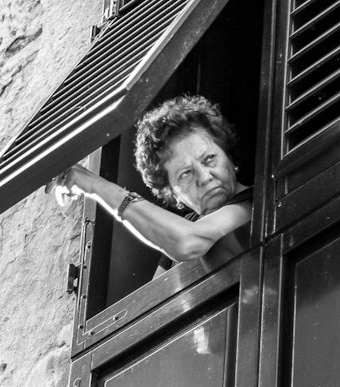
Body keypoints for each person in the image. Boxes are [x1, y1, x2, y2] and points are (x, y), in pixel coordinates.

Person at [48, 95, 251, 266]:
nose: (205, 177)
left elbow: (188, 243)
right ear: (171, 192)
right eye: (186, 173)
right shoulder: (184, 226)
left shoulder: (252, 202)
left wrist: (94, 186)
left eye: (210, 159)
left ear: (228, 156)